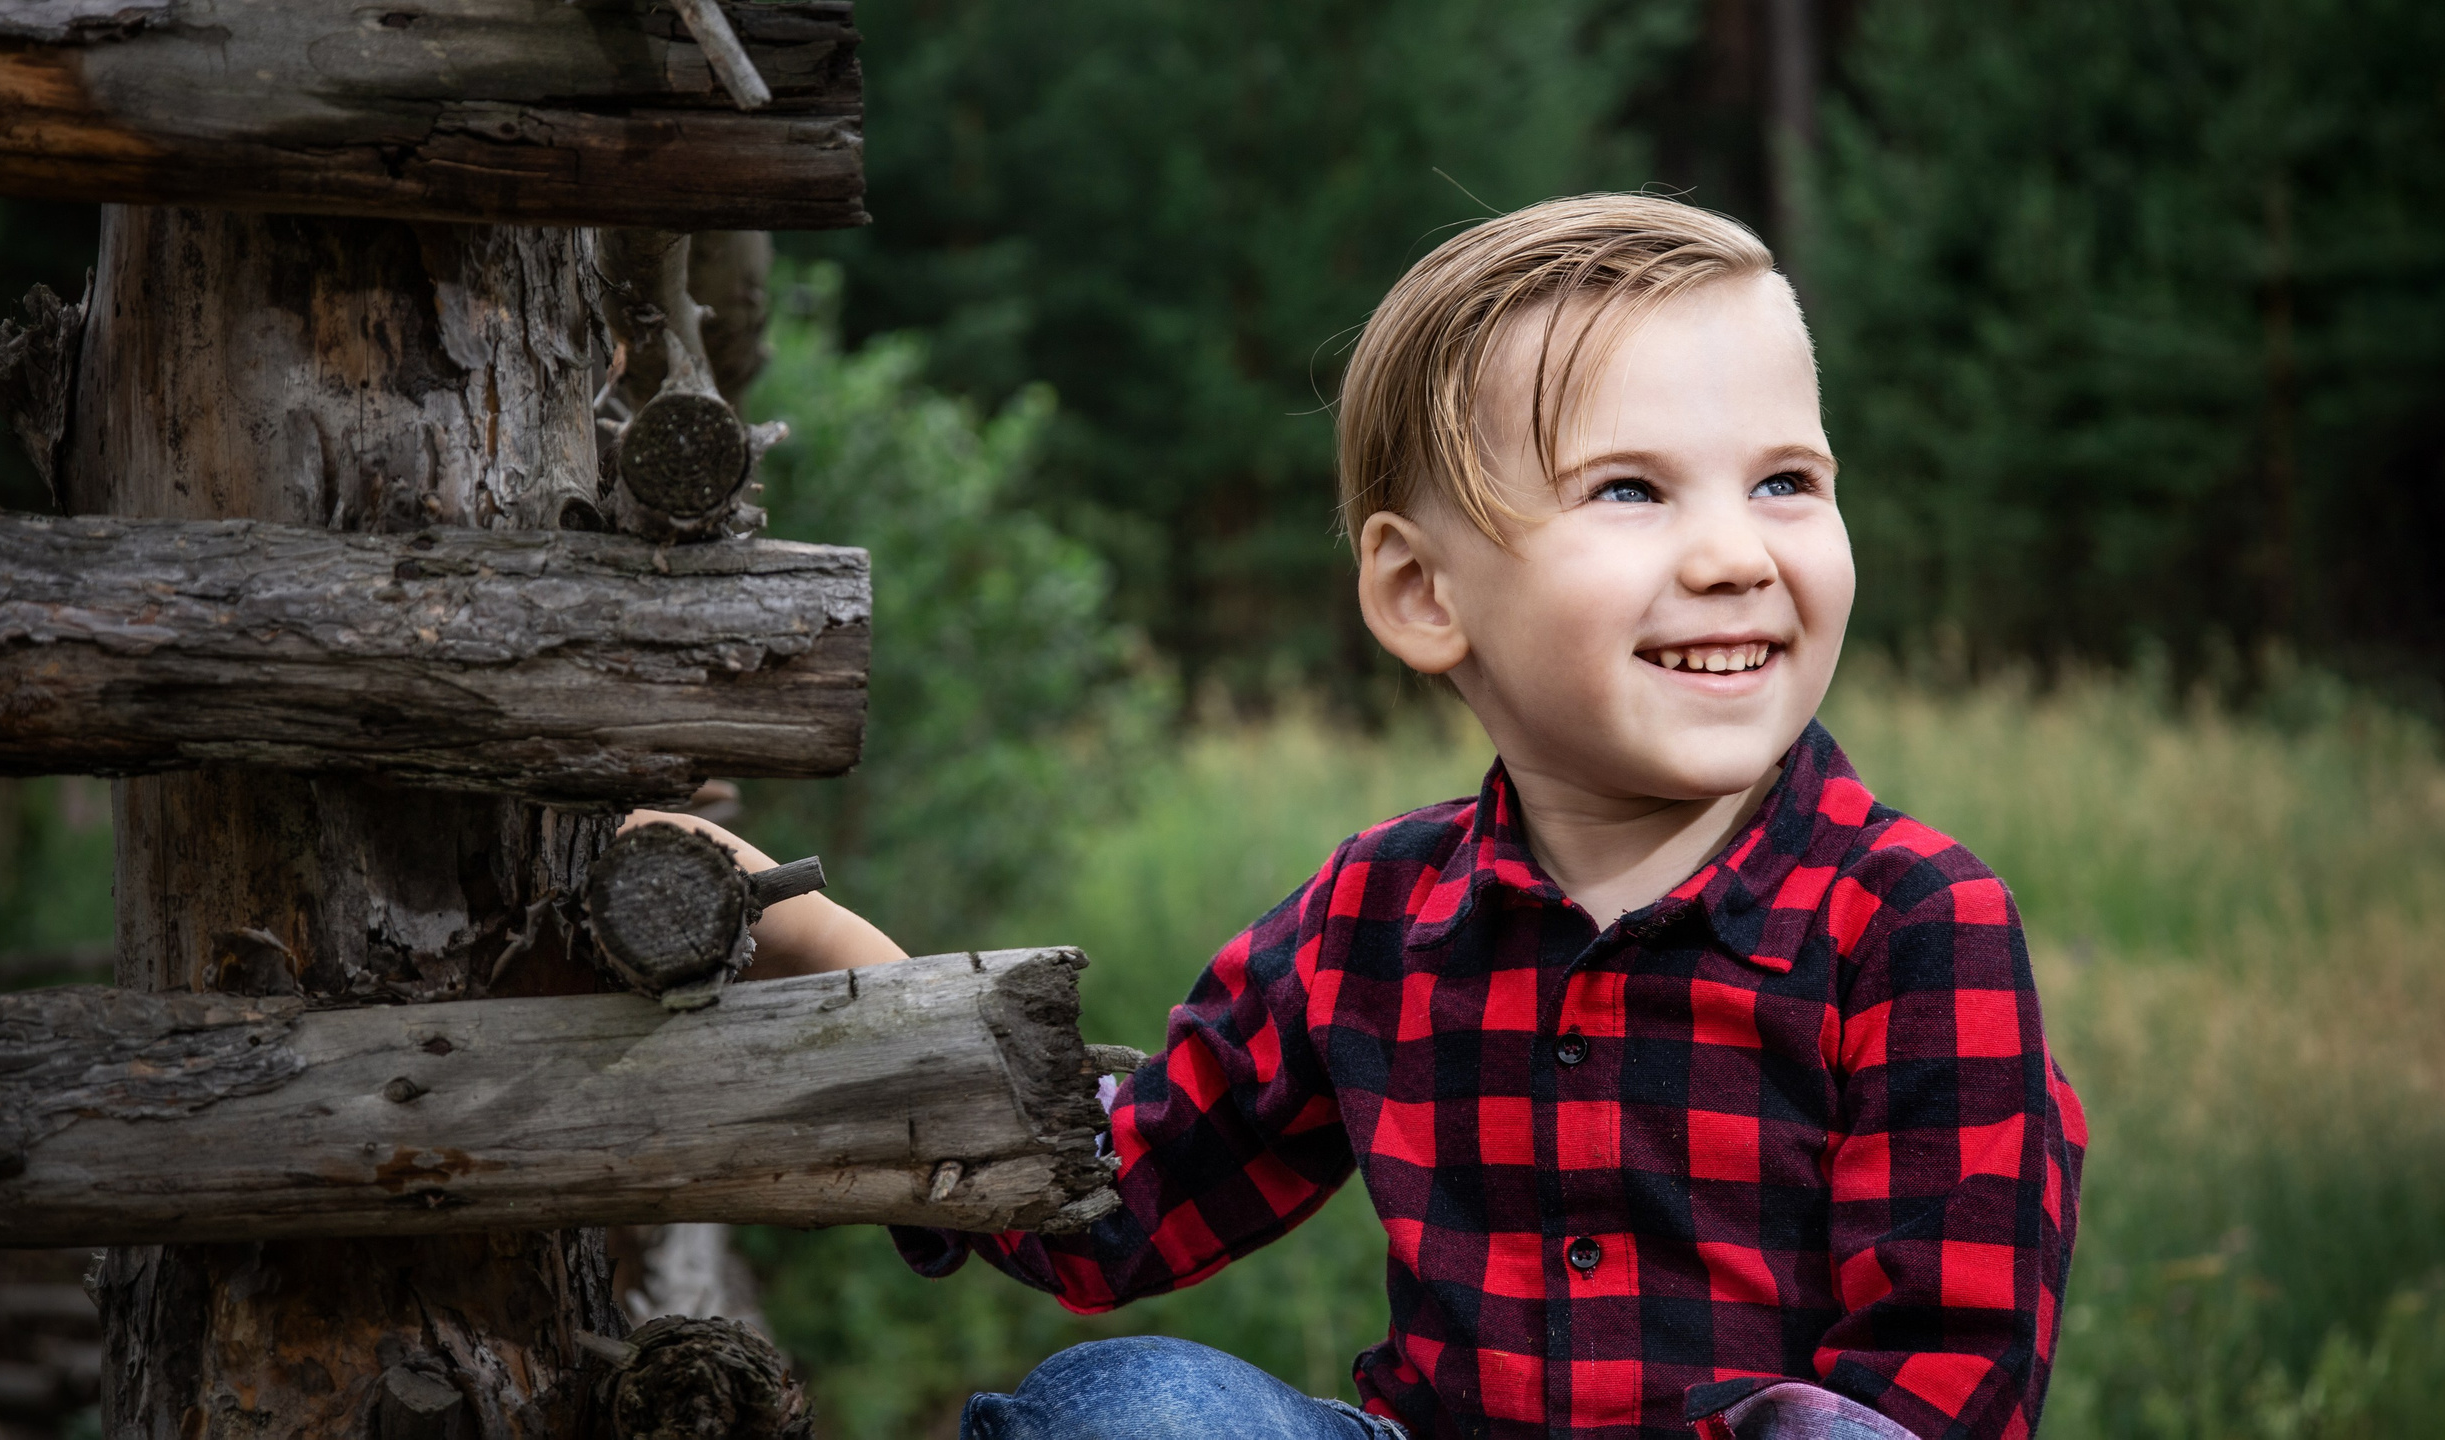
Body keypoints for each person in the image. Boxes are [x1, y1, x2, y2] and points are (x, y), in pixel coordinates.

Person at [634, 193, 2086, 1440]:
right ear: (1421, 594)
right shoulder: (1377, 920)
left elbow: (1943, 1377)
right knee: (1128, 1406)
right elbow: (1114, 1206)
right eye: (1632, 490)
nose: (1733, 554)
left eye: (1785, 481)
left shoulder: (1910, 918)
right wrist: (836, 956)